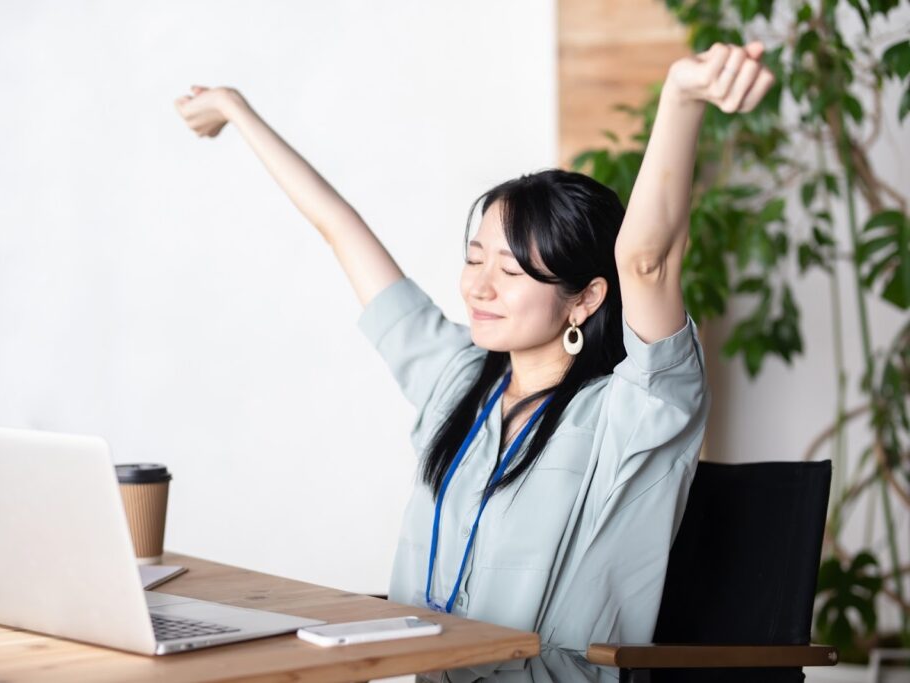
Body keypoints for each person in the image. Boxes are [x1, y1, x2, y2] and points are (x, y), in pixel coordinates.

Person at [176, 42, 775, 682]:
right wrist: (237, 113)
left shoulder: (638, 412)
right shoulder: (459, 380)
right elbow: (339, 227)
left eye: (511, 269)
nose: (479, 287)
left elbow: (647, 260)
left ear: (586, 298)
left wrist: (681, 97)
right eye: (474, 257)